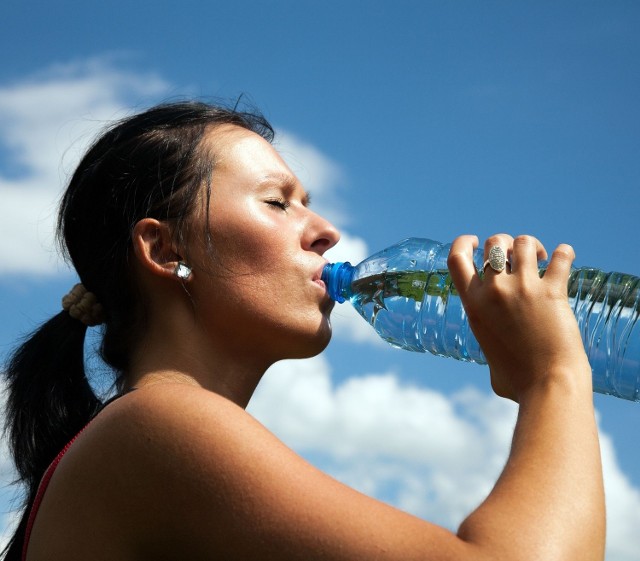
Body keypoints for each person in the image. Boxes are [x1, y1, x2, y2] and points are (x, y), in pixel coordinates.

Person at [2, 100, 605, 561]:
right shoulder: (155, 425)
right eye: (276, 203)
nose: (326, 231)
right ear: (165, 248)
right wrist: (554, 376)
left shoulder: (150, 435)